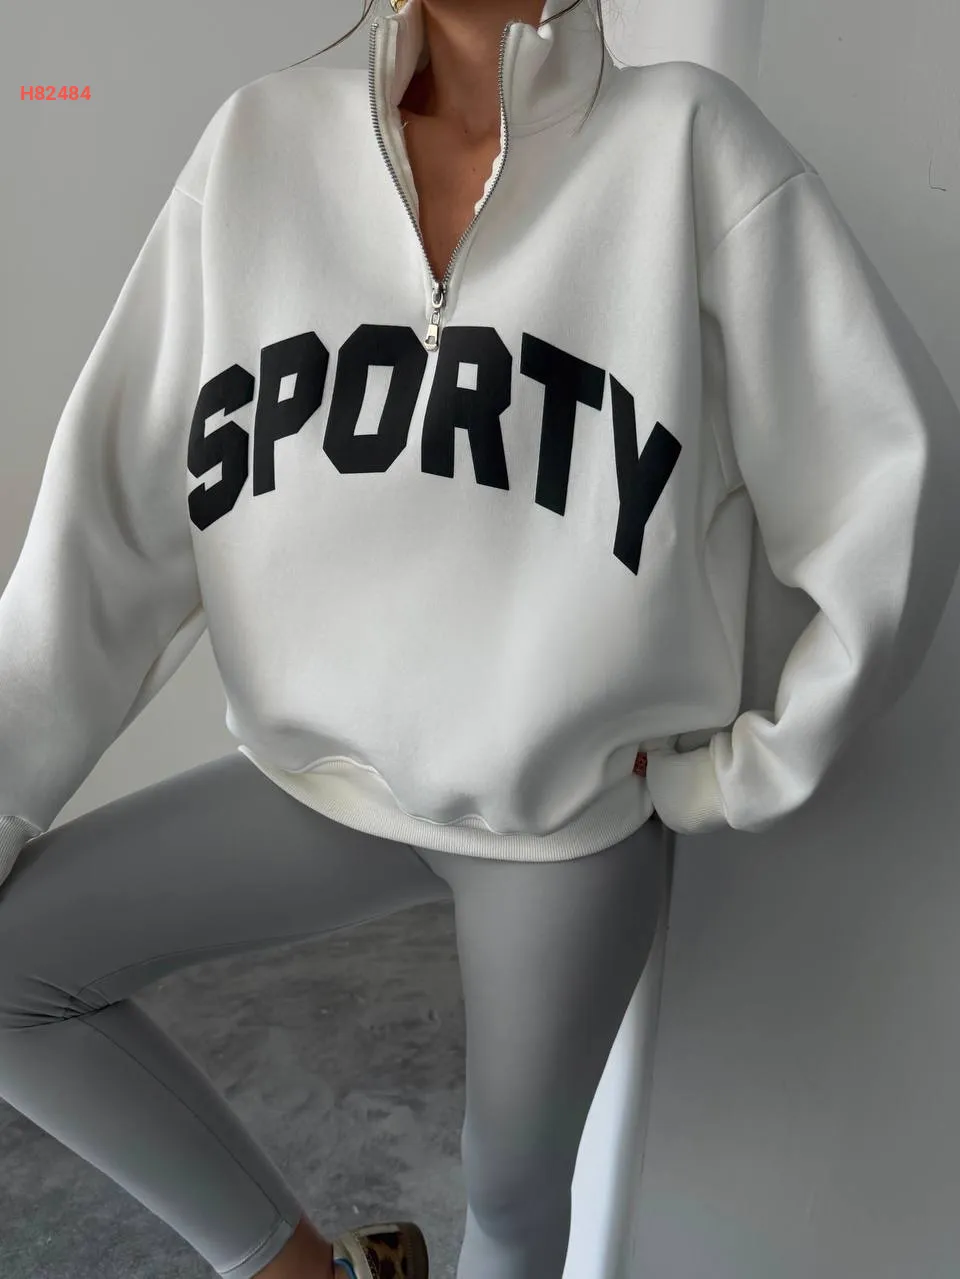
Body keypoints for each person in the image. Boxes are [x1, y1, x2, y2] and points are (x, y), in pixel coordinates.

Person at [2, 0, 960, 1276]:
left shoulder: (690, 147)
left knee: (508, 1191)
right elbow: (104, 535)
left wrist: (734, 771)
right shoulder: (256, 147)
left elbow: (889, 491)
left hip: (555, 825)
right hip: (317, 781)